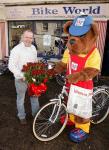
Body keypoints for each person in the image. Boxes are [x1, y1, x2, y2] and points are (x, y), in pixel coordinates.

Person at [8, 30, 40, 125]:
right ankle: (21, 116)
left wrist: (37, 71)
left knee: (35, 97)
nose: (28, 39)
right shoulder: (16, 50)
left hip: (32, 78)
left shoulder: (33, 48)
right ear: (22, 37)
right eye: (26, 37)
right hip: (20, 79)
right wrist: (22, 75)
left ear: (32, 39)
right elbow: (11, 66)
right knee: (21, 98)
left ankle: (36, 115)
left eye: (30, 38)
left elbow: (35, 61)